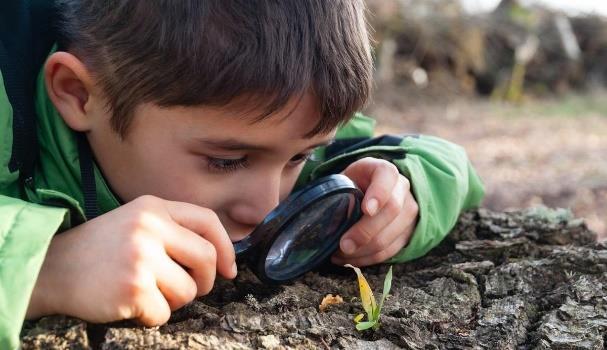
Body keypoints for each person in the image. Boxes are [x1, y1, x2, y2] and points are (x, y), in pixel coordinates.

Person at [0, 0, 485, 348]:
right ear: (80, 94)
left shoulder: (274, 122)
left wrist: (407, 194)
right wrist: (44, 269)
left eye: (298, 158)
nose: (268, 205)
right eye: (226, 161)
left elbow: (441, 159)